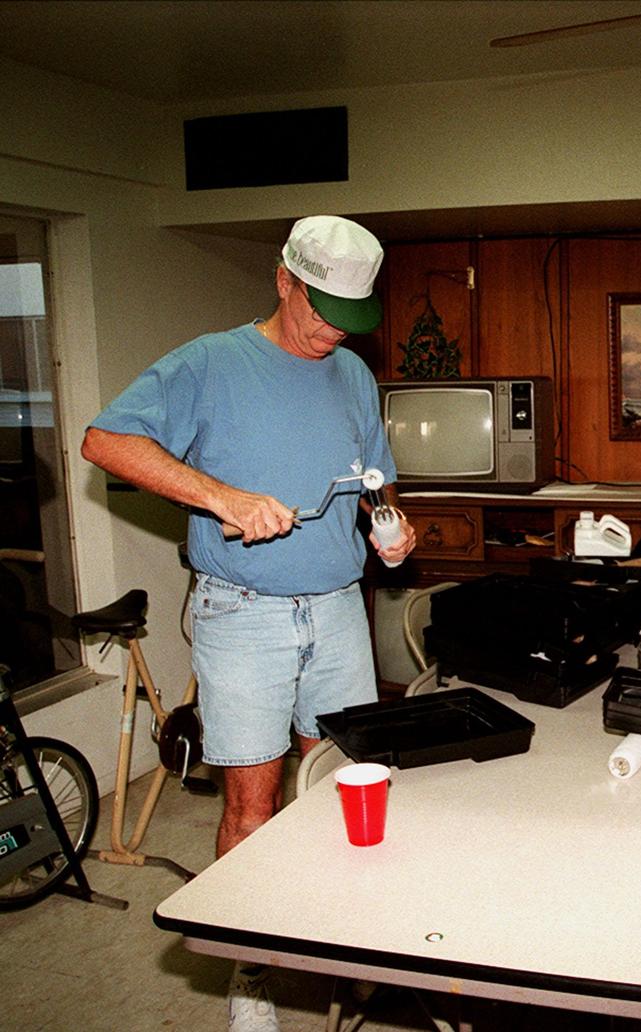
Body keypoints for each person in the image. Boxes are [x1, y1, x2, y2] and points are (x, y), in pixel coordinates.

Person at [81, 214, 416, 1032]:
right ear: (283, 281)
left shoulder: (350, 376)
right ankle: (250, 975)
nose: (335, 331)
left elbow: (373, 481)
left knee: (343, 787)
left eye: (352, 318)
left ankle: (343, 940)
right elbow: (103, 441)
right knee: (252, 804)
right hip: (244, 613)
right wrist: (220, 496)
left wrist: (389, 526)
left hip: (339, 608)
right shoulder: (210, 362)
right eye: (321, 311)